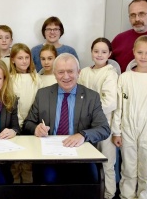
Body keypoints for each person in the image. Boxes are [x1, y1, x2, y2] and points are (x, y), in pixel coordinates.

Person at [23, 53, 110, 184]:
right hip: (49, 155)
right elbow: (28, 123)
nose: (66, 76)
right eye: (61, 72)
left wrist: (83, 135)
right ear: (54, 73)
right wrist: (36, 129)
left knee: (91, 181)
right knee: (48, 180)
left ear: (78, 72)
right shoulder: (43, 94)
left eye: (70, 71)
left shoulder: (91, 97)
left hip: (80, 155)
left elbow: (104, 129)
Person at [112, 35, 147, 199]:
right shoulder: (125, 77)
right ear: (133, 53)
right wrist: (116, 132)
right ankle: (126, 196)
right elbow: (118, 108)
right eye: (140, 52)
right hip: (128, 128)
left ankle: (145, 196)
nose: (143, 56)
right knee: (128, 168)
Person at [78, 38, 118, 199]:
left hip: (104, 124)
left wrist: (89, 111)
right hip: (85, 124)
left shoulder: (110, 73)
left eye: (103, 52)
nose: (99, 55)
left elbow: (110, 102)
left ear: (109, 54)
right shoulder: (85, 72)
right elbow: (78, 93)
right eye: (96, 51)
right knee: (86, 159)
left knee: (107, 162)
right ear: (91, 52)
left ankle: (109, 194)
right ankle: (90, 192)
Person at [9, 43, 42, 184]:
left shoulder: (36, 77)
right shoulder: (9, 78)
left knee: (28, 159)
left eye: (26, 57)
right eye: (20, 58)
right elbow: (9, 101)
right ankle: (15, 187)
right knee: (14, 160)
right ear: (13, 60)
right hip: (15, 122)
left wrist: (31, 121)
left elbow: (40, 101)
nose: (24, 61)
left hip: (31, 121)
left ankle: (28, 189)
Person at [111, 0, 147, 72]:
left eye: (141, 14)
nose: (137, 19)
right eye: (133, 15)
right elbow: (104, 63)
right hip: (121, 82)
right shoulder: (119, 39)